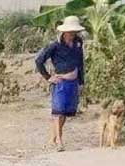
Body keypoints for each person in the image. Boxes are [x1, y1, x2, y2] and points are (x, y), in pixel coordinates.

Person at [35, 15, 86, 151]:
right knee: (57, 112)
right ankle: (59, 141)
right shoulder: (55, 46)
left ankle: (53, 138)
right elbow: (39, 60)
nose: (72, 34)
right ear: (64, 32)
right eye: (70, 32)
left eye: (75, 32)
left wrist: (81, 81)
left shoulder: (78, 42)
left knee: (65, 113)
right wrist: (48, 77)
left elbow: (80, 62)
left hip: (73, 83)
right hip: (61, 83)